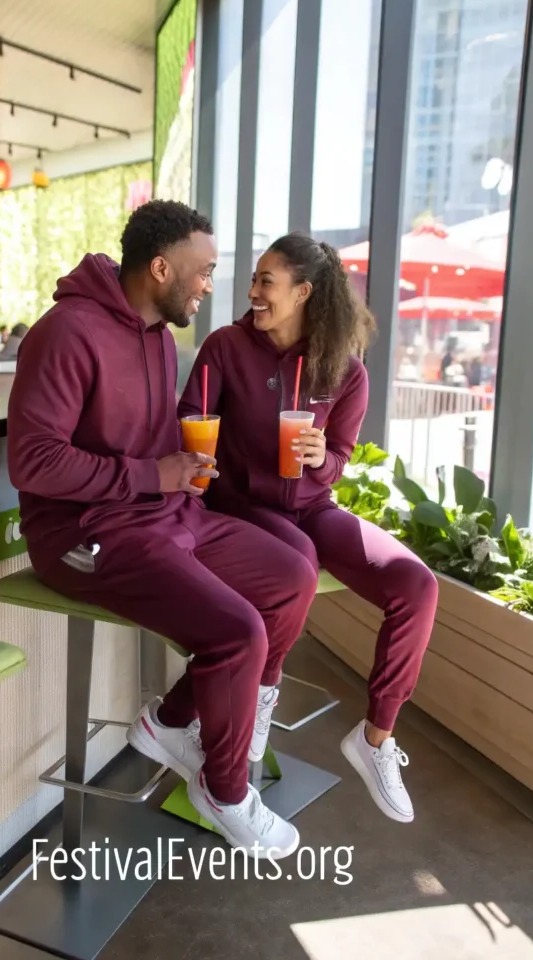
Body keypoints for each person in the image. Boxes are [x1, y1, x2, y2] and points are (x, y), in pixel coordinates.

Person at [6, 201, 317, 858]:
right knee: (238, 632)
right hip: (83, 537)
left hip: (165, 514)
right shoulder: (64, 333)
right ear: (159, 267)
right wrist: (154, 474)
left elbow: (141, 443)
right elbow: (32, 460)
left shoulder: (159, 338)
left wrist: (188, 465)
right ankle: (224, 789)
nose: (210, 284)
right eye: (203, 271)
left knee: (291, 577)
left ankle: (171, 722)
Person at [178, 232, 439, 824]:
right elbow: (188, 419)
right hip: (242, 506)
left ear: (303, 293)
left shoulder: (345, 371)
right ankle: (258, 709)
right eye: (254, 280)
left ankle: (375, 741)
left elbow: (340, 459)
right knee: (294, 555)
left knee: (417, 586)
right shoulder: (225, 346)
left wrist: (321, 456)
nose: (253, 292)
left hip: (314, 508)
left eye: (266, 282)